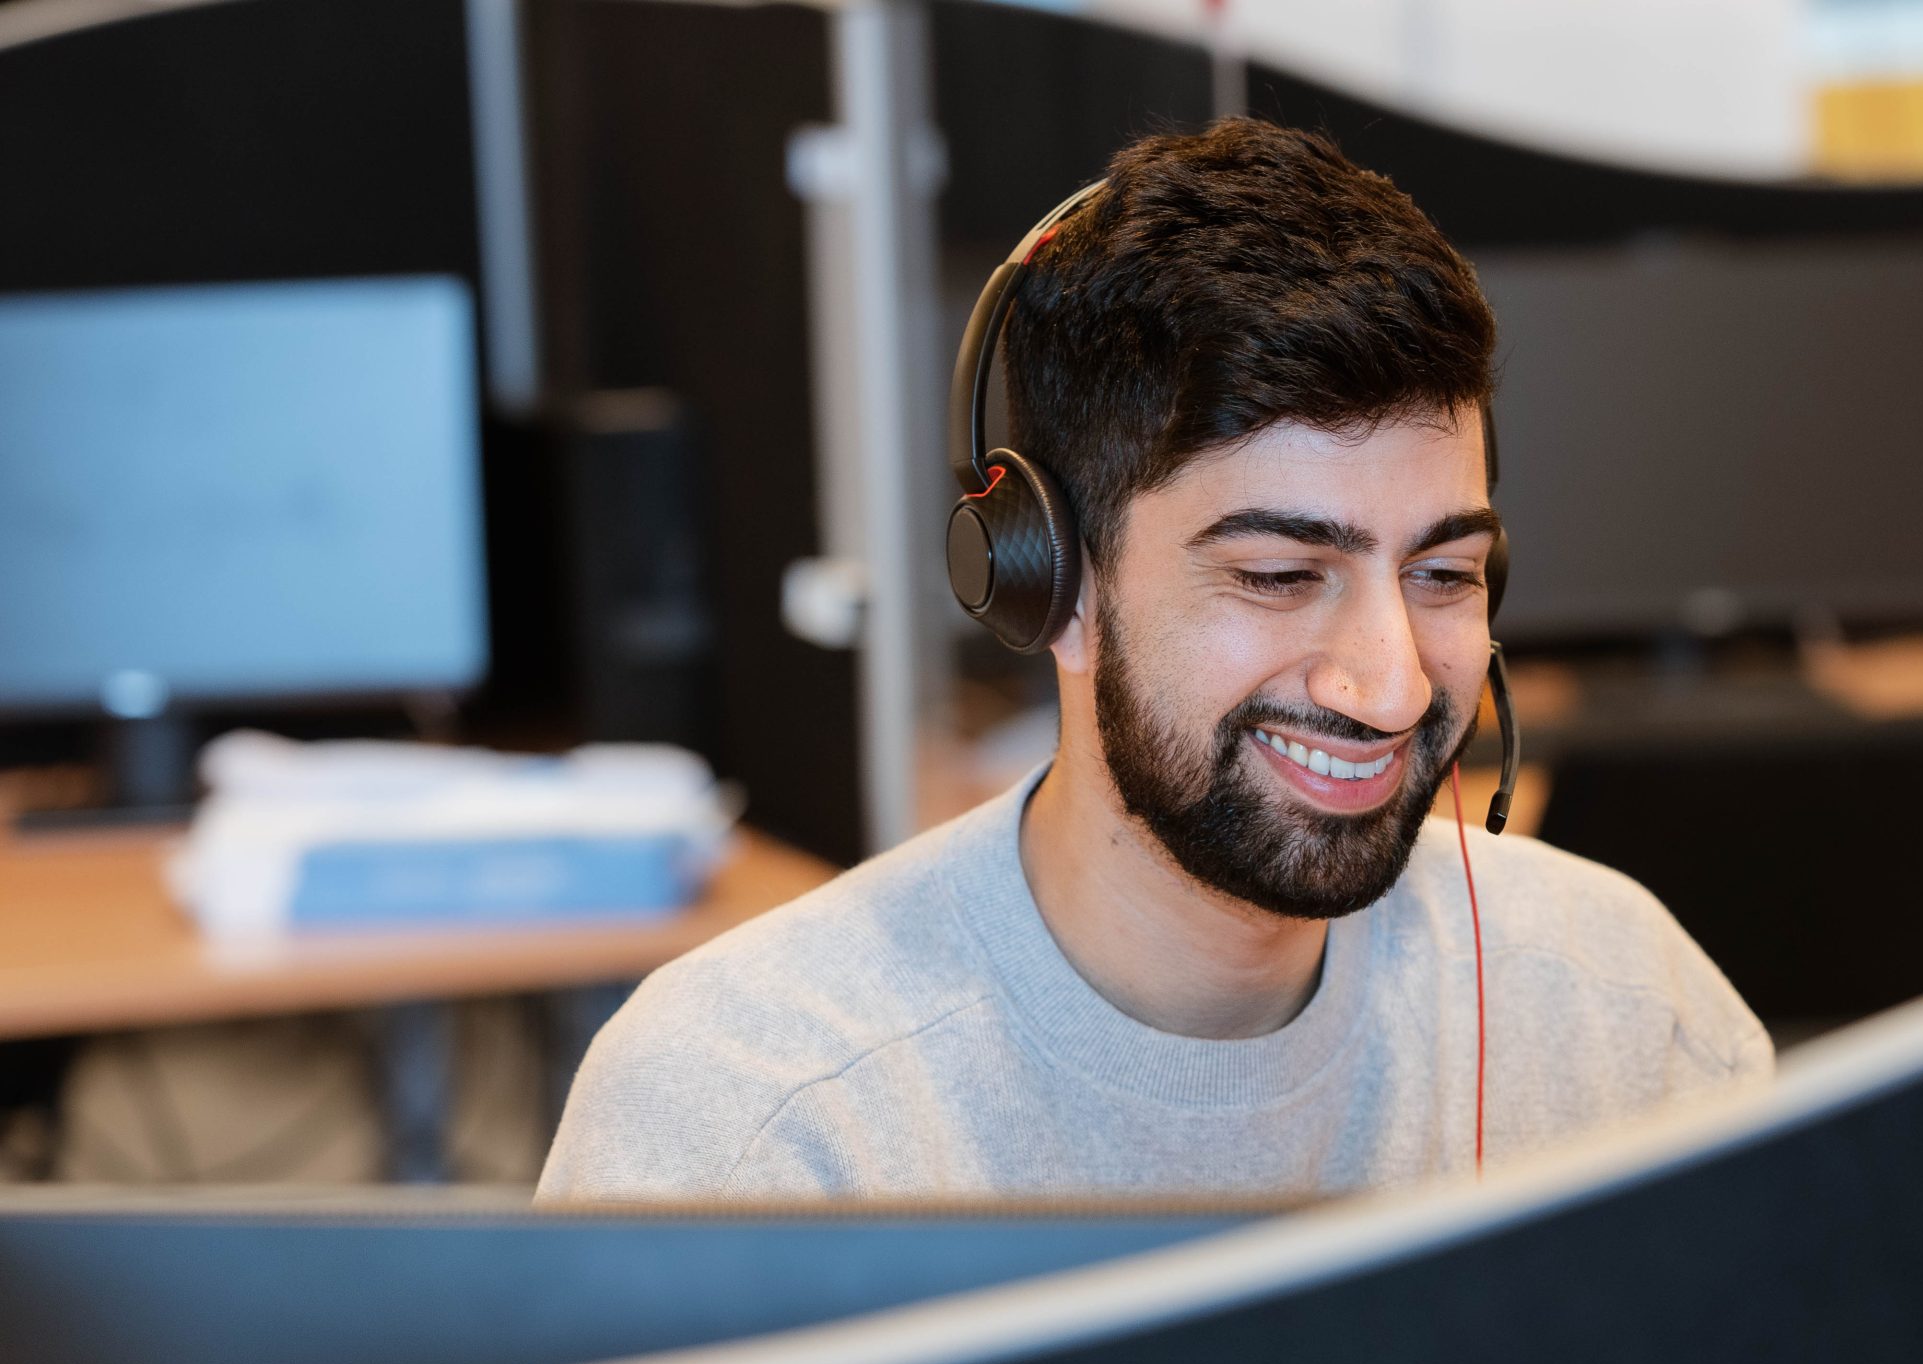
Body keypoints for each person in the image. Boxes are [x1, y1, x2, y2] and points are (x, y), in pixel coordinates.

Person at [538, 119, 1770, 1201]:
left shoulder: (1625, 1016)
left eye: (1441, 574)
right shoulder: (753, 1130)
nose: (1391, 684)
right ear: (1048, 586)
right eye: (1281, 576)